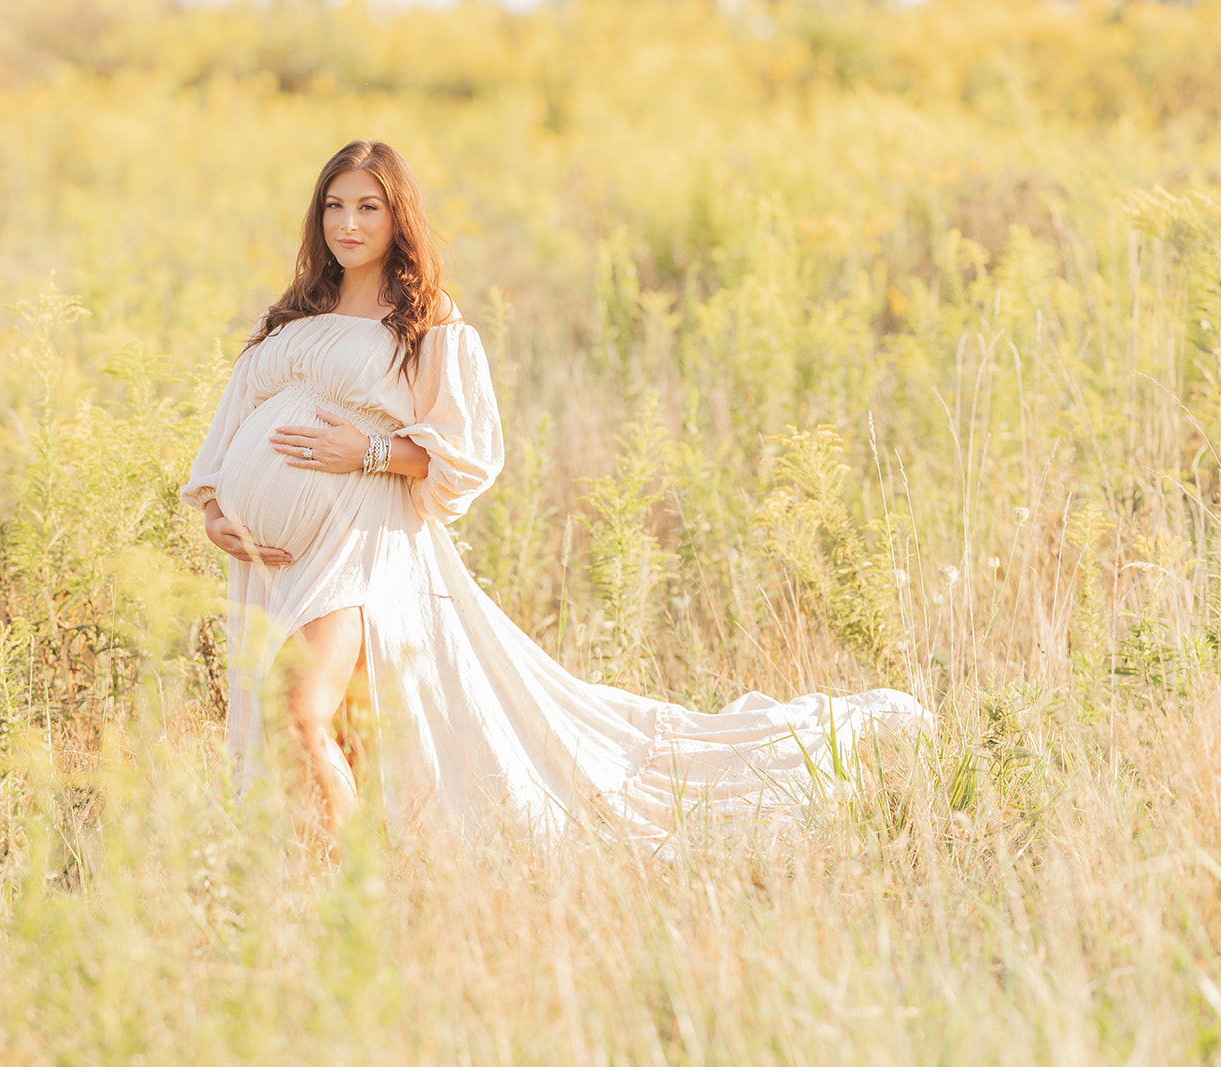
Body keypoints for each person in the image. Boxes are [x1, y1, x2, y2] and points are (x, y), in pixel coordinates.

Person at [182, 140, 928, 853]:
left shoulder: (425, 322)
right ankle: (330, 891)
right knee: (343, 732)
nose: (348, 223)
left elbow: (467, 454)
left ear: (398, 217)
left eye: (368, 207)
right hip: (272, 562)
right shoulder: (287, 317)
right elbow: (227, 431)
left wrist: (370, 450)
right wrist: (220, 514)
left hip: (357, 547)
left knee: (299, 718)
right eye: (335, 206)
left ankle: (349, 898)